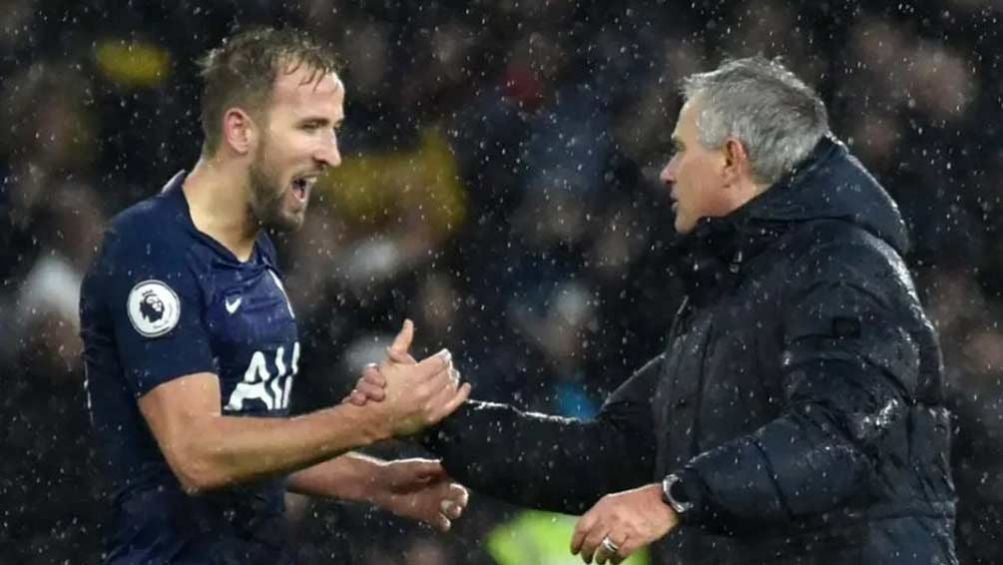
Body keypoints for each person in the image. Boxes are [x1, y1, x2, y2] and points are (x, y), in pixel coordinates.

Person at [350, 56, 957, 564]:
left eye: (680, 150)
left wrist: (672, 498)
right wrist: (437, 418)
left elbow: (837, 436)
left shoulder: (846, 268)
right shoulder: (734, 294)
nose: (665, 171)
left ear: (731, 159)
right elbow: (607, 455)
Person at [79, 27, 471, 565]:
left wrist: (374, 482)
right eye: (311, 127)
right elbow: (198, 454)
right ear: (240, 130)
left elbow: (254, 437)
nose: (333, 155)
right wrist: (368, 422)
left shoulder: (258, 251)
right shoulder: (152, 250)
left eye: (334, 129)